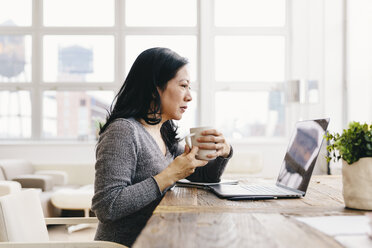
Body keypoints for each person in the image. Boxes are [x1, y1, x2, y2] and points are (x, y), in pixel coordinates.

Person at [91, 47, 233, 247]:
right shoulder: (123, 131)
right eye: (183, 85)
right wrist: (169, 175)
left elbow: (203, 177)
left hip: (161, 238)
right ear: (154, 88)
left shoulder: (163, 131)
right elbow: (107, 206)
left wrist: (223, 151)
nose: (190, 96)